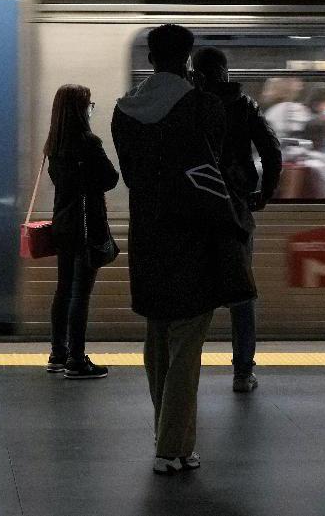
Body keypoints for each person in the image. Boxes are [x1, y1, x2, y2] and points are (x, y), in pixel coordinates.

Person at [111, 25, 255, 475]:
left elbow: (133, 177)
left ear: (151, 57)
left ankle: (165, 437)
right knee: (185, 348)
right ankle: (172, 447)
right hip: (193, 239)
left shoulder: (124, 111)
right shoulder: (203, 107)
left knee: (157, 343)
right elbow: (209, 171)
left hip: (148, 237)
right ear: (188, 58)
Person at [191, 46, 283, 393]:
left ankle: (188, 370)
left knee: (196, 295)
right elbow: (272, 151)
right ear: (225, 72)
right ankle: (243, 373)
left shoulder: (189, 107)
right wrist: (265, 193)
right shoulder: (244, 106)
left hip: (197, 211)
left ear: (197, 74)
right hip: (235, 209)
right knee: (241, 293)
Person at [43, 85, 119, 379]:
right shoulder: (88, 142)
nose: (91, 108)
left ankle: (57, 353)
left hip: (62, 225)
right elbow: (110, 178)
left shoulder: (54, 145)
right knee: (80, 294)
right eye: (90, 104)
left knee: (63, 290)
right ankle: (76, 359)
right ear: (80, 109)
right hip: (87, 227)